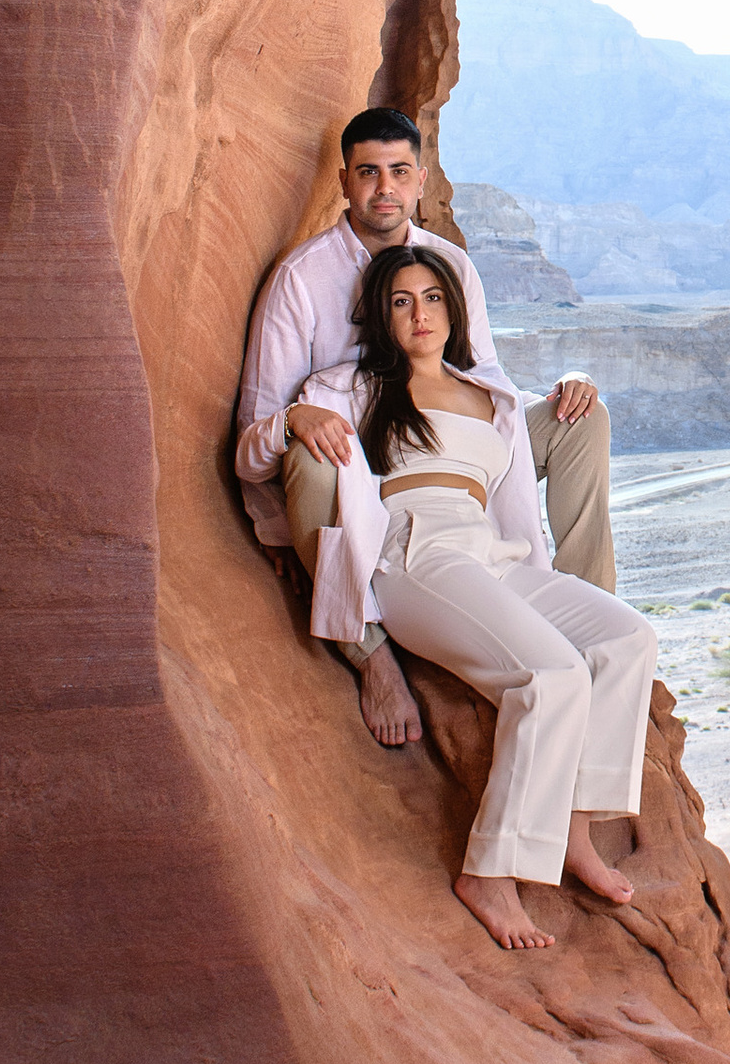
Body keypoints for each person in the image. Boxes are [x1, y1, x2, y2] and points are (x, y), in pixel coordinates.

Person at [311, 241, 659, 952]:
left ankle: (571, 827)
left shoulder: (490, 398)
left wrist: (575, 382)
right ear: (381, 315)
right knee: (553, 675)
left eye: (433, 299)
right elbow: (262, 448)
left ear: (455, 309)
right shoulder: (351, 387)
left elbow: (519, 502)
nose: (420, 315)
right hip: (416, 557)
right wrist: (291, 422)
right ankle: (490, 873)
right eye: (401, 301)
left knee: (628, 640)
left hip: (490, 557)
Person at [235, 107, 611, 753]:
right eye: (368, 173)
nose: (384, 188)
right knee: (319, 450)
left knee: (582, 419)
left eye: (399, 172)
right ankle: (370, 652)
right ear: (345, 182)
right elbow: (260, 426)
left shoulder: (450, 266)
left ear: (420, 180)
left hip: (448, 441)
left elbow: (477, 379)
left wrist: (564, 384)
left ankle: (583, 612)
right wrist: (281, 518)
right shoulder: (303, 278)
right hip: (365, 456)